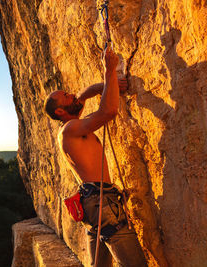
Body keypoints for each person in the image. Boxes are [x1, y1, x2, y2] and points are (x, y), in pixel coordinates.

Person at [43, 46, 147, 267]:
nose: (72, 95)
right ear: (60, 112)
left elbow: (83, 96)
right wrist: (109, 71)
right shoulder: (71, 129)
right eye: (66, 96)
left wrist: (105, 86)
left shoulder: (72, 127)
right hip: (101, 202)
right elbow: (108, 112)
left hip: (94, 202)